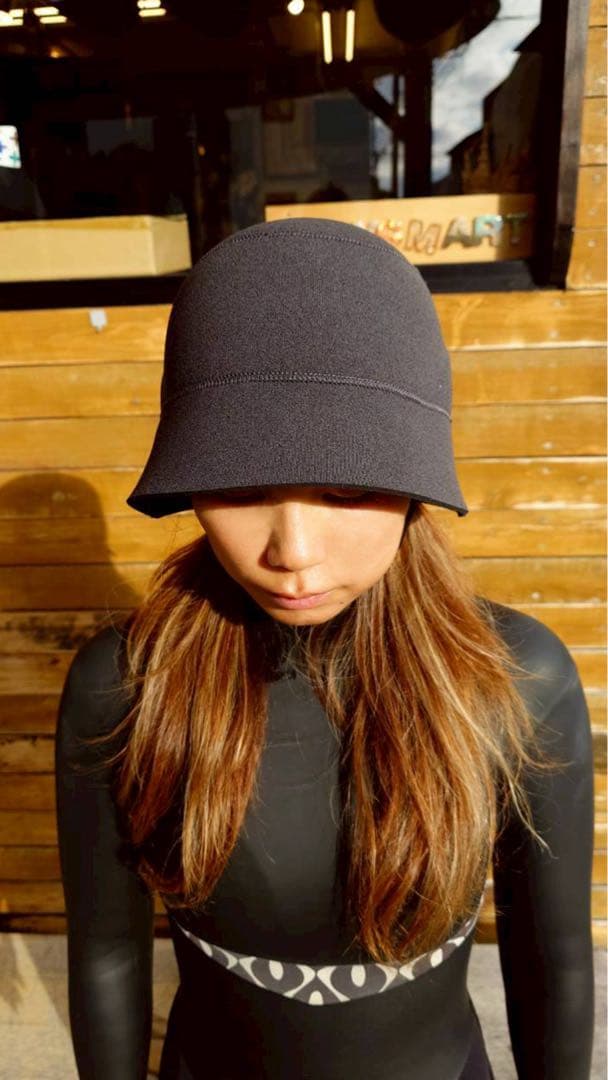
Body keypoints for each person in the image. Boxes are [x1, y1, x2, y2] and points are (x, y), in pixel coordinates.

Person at [55, 217, 595, 1080]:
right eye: (237, 487)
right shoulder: (125, 686)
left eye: (346, 488)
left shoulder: (518, 681)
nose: (292, 551)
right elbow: (107, 954)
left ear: (415, 484)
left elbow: (555, 963)